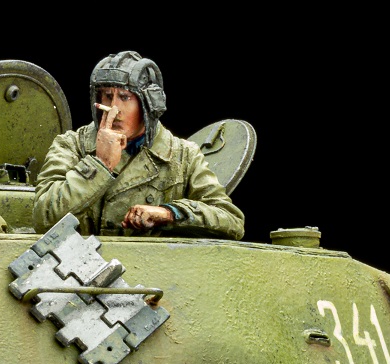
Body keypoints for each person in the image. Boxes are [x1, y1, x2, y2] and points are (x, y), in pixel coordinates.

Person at [34, 52, 244, 239]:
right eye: (107, 96)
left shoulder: (183, 156)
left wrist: (170, 213)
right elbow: (43, 215)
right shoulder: (72, 145)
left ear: (148, 104)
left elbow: (231, 220)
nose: (113, 108)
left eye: (125, 97)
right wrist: (100, 164)